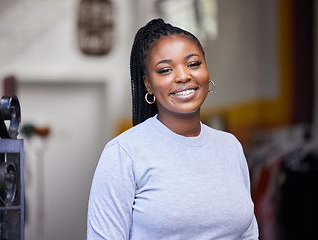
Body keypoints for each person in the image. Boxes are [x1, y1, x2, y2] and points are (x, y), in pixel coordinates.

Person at [87, 18, 259, 239]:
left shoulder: (230, 146)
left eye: (193, 64)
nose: (183, 76)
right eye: (166, 70)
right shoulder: (124, 154)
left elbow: (248, 234)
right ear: (148, 84)